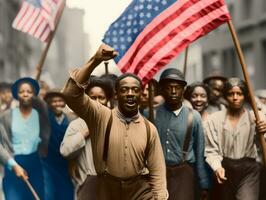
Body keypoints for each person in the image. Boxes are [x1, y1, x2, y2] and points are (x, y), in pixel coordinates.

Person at [62, 43, 168, 200]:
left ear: (140, 95)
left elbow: (157, 172)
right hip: (106, 188)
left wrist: (160, 198)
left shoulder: (149, 129)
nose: (130, 93)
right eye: (124, 90)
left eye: (135, 90)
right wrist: (95, 60)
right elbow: (71, 94)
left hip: (139, 190)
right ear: (116, 95)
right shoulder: (101, 116)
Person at [153, 68, 211, 200]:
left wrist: (203, 183)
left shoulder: (193, 116)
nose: (173, 91)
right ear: (161, 90)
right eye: (169, 87)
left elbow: (199, 152)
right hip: (158, 175)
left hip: (184, 172)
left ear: (183, 90)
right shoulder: (151, 114)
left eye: (177, 87)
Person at [204, 77, 266, 200]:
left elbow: (262, 147)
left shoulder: (256, 118)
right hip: (224, 169)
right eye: (231, 94)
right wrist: (217, 167)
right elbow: (211, 150)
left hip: (249, 170)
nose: (235, 98)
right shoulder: (214, 119)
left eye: (239, 94)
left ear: (245, 96)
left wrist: (263, 132)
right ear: (225, 96)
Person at [61, 77, 113, 200]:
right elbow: (65, 151)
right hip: (87, 184)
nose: (97, 101)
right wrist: (86, 132)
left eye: (101, 97)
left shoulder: (116, 122)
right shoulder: (77, 125)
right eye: (92, 97)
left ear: (107, 100)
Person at [0, 77, 46, 200]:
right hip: (13, 163)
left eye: (29, 91)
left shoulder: (41, 117)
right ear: (16, 94)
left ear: (34, 94)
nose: (25, 94)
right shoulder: (6, 117)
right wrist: (12, 165)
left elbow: (46, 143)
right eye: (21, 91)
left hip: (35, 166)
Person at [42, 89, 74, 200]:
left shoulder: (70, 120)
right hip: (48, 163)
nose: (57, 104)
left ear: (64, 102)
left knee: (66, 193)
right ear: (49, 103)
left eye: (60, 100)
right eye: (54, 101)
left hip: (65, 164)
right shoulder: (45, 118)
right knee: (49, 194)